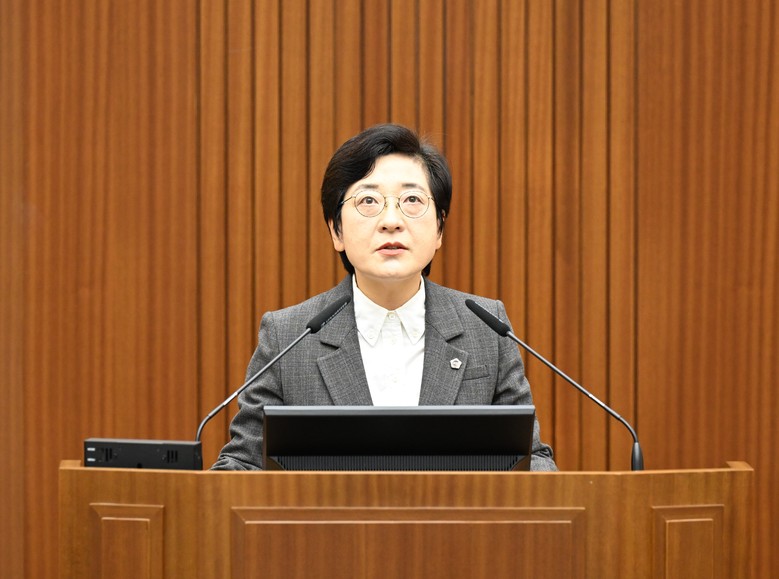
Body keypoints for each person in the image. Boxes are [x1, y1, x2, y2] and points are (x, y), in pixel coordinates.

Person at [212, 124, 557, 471]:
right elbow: (244, 463)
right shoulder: (288, 336)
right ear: (336, 230)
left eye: (412, 200)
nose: (391, 221)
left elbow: (530, 461)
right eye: (368, 201)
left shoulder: (486, 330)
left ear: (439, 227)